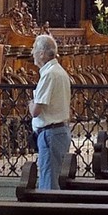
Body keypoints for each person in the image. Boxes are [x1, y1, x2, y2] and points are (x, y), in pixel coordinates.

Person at [29, 31, 71, 190]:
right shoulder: (59, 72)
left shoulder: (49, 74)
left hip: (51, 134)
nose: (32, 52)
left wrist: (30, 104)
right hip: (58, 131)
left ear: (42, 53)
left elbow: (36, 110)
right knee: (52, 179)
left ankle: (48, 213)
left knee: (49, 184)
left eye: (34, 49)